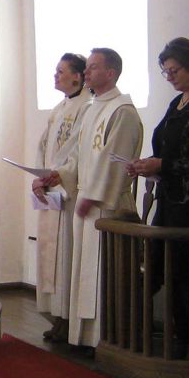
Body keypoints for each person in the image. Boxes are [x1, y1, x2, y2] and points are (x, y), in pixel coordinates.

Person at [127, 37, 189, 358]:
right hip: (170, 196)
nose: (169, 77)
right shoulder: (179, 101)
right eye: (165, 72)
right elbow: (167, 148)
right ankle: (147, 334)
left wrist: (162, 164)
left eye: (174, 71)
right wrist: (148, 165)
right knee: (157, 263)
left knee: (186, 269)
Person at [44, 47, 142, 351]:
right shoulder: (91, 108)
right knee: (84, 272)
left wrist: (94, 194)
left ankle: (104, 340)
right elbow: (76, 154)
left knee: (101, 273)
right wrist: (59, 176)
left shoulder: (122, 111)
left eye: (93, 68)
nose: (86, 73)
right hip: (87, 201)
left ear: (110, 73)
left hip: (107, 207)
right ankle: (83, 337)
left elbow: (116, 161)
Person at [31, 53, 89, 343]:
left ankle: (68, 318)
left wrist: (59, 175)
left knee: (65, 258)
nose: (56, 76)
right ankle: (57, 316)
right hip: (51, 193)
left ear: (78, 76)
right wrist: (40, 176)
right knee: (49, 257)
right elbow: (44, 147)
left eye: (61, 71)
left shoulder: (87, 106)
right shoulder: (59, 108)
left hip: (68, 195)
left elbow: (79, 152)